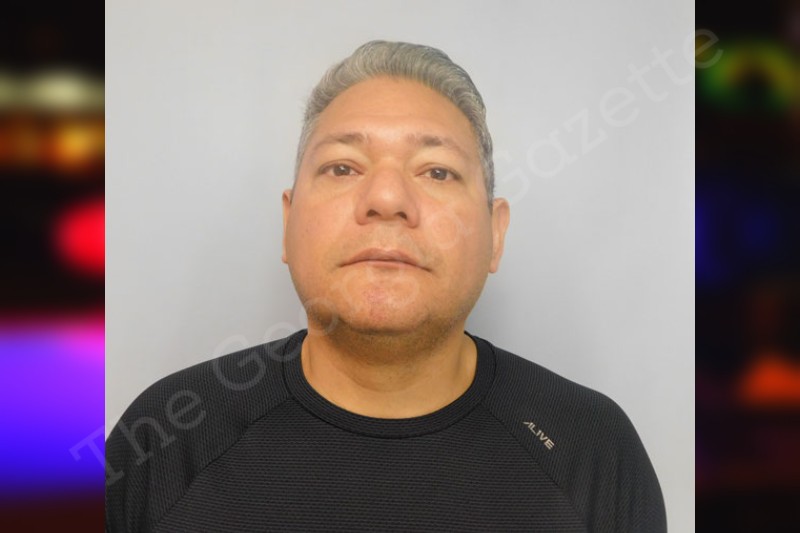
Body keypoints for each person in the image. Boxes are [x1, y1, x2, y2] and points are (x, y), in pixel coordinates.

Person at [105, 40, 667, 532]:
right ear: (288, 222)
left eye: (437, 171)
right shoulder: (166, 440)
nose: (387, 199)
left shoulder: (592, 449)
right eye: (343, 167)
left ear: (495, 235)